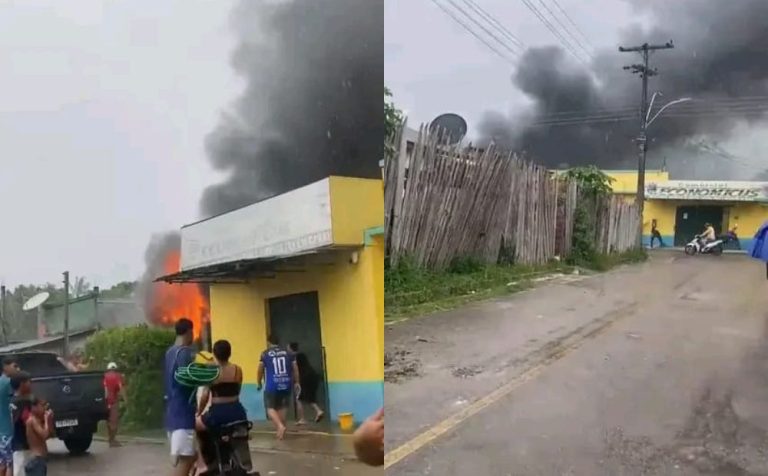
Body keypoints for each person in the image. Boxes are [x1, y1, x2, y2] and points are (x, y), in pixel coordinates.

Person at [195, 340, 248, 472]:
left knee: (193, 425)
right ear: (229, 353)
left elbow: (205, 395)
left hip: (218, 414)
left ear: (214, 354)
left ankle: (203, 463)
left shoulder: (211, 371)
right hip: (238, 412)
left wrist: (199, 412)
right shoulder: (237, 370)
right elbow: (238, 390)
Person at [164, 318, 198, 476]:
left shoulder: (170, 352)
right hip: (184, 414)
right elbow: (188, 381)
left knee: (191, 456)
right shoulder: (184, 353)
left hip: (172, 413)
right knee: (186, 460)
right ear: (189, 332)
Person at [257, 334, 299, 440]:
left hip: (272, 385)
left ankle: (280, 426)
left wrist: (259, 382)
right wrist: (297, 382)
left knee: (270, 408)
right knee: (282, 407)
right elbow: (295, 368)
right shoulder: (288, 353)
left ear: (269, 342)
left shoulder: (265, 354)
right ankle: (280, 432)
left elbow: (260, 370)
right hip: (286, 384)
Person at [288, 343, 324, 425]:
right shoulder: (302, 355)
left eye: (288, 348)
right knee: (308, 396)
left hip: (304, 378)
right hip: (313, 377)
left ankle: (302, 419)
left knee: (299, 399)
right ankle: (318, 411)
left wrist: (296, 382)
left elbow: (295, 370)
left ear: (290, 349)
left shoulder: (292, 358)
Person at [23, 398, 53, 476]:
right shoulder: (32, 420)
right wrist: (46, 420)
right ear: (34, 407)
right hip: (36, 460)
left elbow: (50, 434)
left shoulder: (38, 421)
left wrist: (49, 421)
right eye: (42, 406)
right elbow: (44, 435)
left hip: (40, 460)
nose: (44, 409)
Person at [10, 372, 32, 476]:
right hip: (23, 443)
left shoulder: (11, 400)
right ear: (22, 384)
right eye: (28, 382)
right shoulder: (23, 402)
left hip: (16, 442)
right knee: (20, 471)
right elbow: (26, 420)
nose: (30, 384)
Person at [0, 357, 19, 476]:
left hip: (1, 430)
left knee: (2, 463)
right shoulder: (8, 383)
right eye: (14, 366)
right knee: (10, 464)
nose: (16, 368)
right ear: (5, 367)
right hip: (7, 431)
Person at [103, 362, 125, 448]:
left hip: (104, 401)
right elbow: (121, 388)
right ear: (115, 369)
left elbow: (104, 389)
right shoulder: (117, 376)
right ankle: (112, 440)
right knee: (114, 421)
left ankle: (110, 439)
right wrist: (125, 399)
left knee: (108, 421)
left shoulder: (104, 376)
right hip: (113, 401)